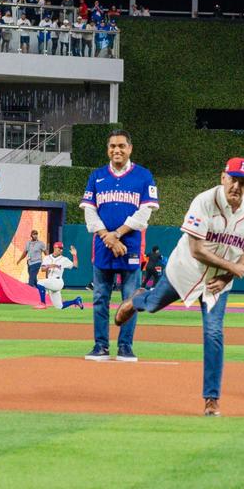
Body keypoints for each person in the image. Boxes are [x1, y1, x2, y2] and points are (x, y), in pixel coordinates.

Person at [115, 158, 244, 416]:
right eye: (233, 179)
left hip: (216, 285)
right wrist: (232, 269)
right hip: (184, 271)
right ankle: (137, 299)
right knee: (152, 305)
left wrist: (226, 278)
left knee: (214, 334)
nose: (237, 186)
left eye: (243, 182)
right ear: (223, 178)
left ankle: (211, 399)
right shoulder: (204, 202)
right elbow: (197, 250)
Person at [80, 129, 159, 362]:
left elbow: (144, 213)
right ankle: (100, 346)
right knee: (99, 299)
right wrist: (108, 237)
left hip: (131, 246)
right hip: (103, 247)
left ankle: (125, 347)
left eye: (122, 146)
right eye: (113, 146)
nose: (117, 150)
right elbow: (90, 212)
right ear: (108, 149)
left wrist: (117, 234)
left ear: (130, 148)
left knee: (131, 300)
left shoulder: (143, 176)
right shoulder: (97, 176)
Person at [38, 242, 84, 309]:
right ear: (55, 248)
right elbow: (42, 269)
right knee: (59, 306)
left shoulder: (64, 259)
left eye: (62, 248)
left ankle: (42, 303)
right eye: (59, 248)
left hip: (58, 281)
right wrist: (50, 266)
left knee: (40, 282)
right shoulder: (47, 258)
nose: (61, 250)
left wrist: (74, 255)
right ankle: (76, 301)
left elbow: (75, 266)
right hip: (50, 282)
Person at [15, 228, 49, 302]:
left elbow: (46, 253)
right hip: (30, 262)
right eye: (34, 234)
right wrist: (20, 260)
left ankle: (28, 297)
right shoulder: (28, 243)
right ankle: (42, 291)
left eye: (36, 234)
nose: (35, 235)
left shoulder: (41, 243)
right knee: (34, 280)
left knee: (31, 279)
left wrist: (48, 261)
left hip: (37, 262)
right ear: (31, 235)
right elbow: (25, 253)